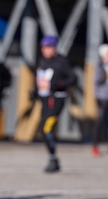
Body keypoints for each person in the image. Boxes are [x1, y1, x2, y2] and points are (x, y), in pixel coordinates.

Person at [35, 35, 76, 172]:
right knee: (43, 130)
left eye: (47, 47)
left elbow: (73, 78)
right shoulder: (42, 62)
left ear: (53, 48)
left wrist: (60, 84)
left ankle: (53, 159)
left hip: (56, 100)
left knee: (47, 129)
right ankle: (53, 158)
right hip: (45, 100)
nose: (44, 50)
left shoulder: (61, 62)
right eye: (43, 47)